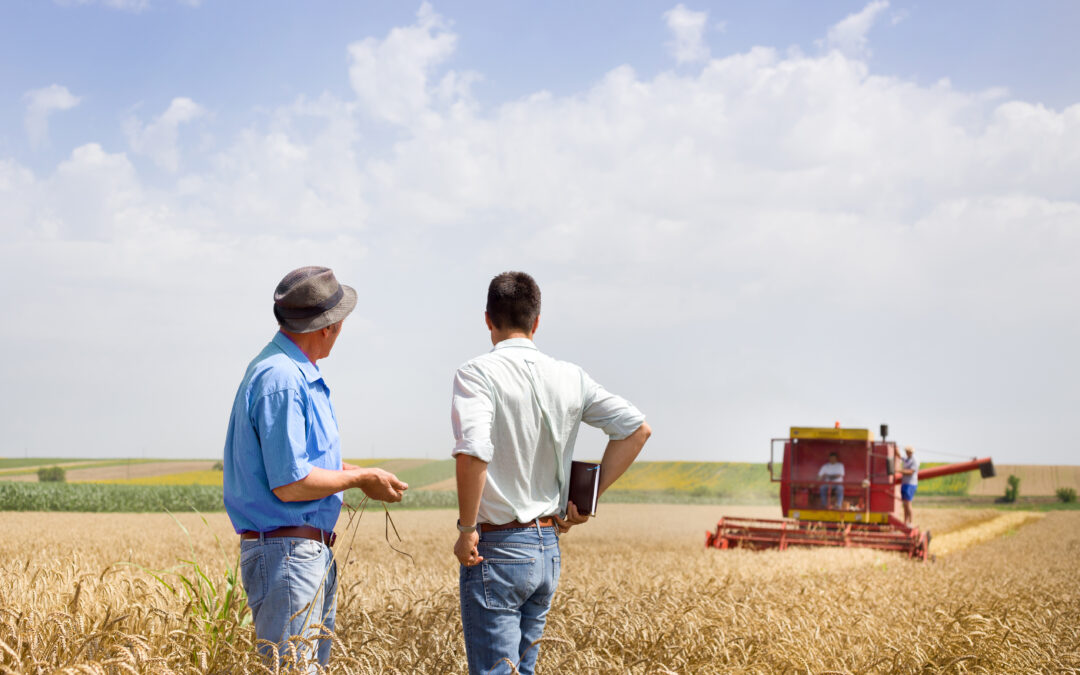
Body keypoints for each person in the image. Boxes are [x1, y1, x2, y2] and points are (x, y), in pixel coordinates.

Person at [451, 271, 652, 675]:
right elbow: (636, 429)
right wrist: (584, 499)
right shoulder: (570, 376)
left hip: (499, 549)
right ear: (536, 322)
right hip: (547, 550)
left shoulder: (476, 374)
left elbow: (473, 453)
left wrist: (466, 528)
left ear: (487, 319)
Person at [223, 266, 408, 669]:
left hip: (296, 552)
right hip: (288, 553)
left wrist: (357, 473)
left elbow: (300, 462)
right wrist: (359, 478)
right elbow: (291, 483)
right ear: (327, 327)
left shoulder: (284, 372)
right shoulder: (284, 380)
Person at [899, 445, 919, 525]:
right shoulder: (907, 459)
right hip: (905, 483)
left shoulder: (915, 460)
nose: (906, 452)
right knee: (905, 504)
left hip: (910, 484)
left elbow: (911, 472)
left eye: (907, 451)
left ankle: (910, 522)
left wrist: (899, 471)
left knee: (908, 503)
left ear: (911, 452)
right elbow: (902, 458)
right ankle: (905, 522)